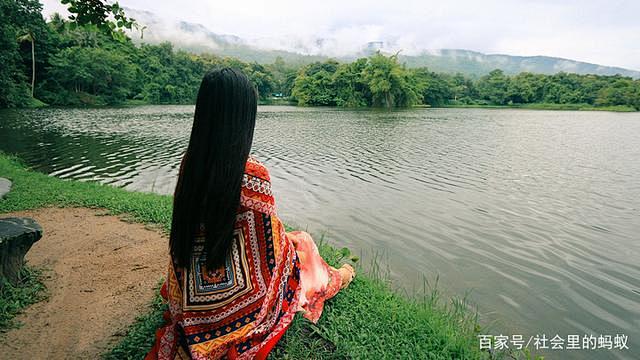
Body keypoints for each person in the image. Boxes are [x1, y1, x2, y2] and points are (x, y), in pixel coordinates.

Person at [146, 68, 355, 360]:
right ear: (243, 116)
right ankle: (340, 276)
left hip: (194, 292)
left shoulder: (189, 162)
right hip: (233, 301)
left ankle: (336, 272)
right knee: (303, 244)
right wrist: (289, 244)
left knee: (294, 241)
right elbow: (269, 254)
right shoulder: (251, 173)